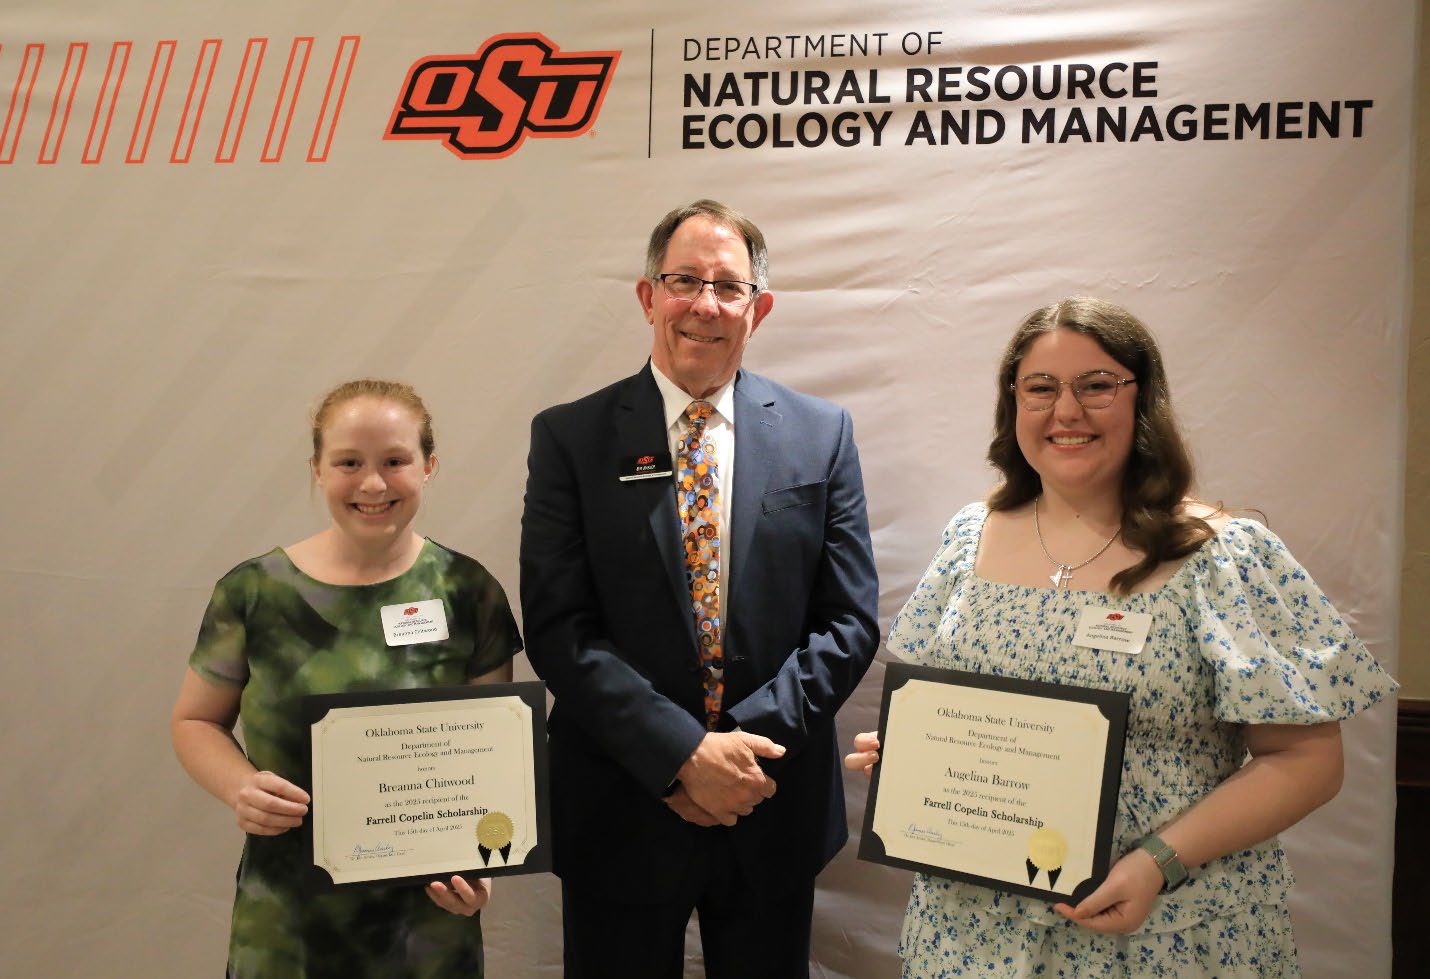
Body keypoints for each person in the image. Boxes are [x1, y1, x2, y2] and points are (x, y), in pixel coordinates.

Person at [845, 297, 1398, 977]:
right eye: (1041, 388)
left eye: (1096, 385)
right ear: (1012, 403)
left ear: (1145, 400)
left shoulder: (1220, 555)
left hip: (1166, 936)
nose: (1066, 411)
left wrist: (1157, 863)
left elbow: (1309, 760)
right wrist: (918, 755)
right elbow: (964, 713)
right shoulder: (969, 538)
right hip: (971, 937)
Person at [520, 199, 880, 978]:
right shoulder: (570, 438)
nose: (704, 305)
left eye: (728, 286)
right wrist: (681, 751)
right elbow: (559, 628)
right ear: (649, 296)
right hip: (620, 801)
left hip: (768, 796)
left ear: (760, 308)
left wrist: (735, 753)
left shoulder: (823, 434)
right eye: (684, 281)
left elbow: (848, 621)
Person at [171, 379, 522, 978]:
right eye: (349, 462)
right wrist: (240, 787)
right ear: (316, 468)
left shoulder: (469, 592)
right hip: (288, 918)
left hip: (427, 918)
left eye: (395, 461)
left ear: (429, 465)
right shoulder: (252, 592)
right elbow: (194, 721)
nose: (373, 484)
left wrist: (484, 861)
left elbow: (491, 761)